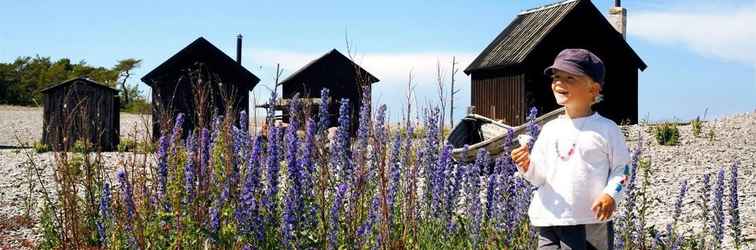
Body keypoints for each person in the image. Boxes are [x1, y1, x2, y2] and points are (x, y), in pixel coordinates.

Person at [511, 48, 631, 250]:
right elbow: (539, 177)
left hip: (588, 219)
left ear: (593, 90)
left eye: (570, 78)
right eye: (556, 77)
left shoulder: (606, 129)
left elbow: (623, 169)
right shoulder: (549, 129)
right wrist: (526, 165)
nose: (559, 82)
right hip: (550, 217)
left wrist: (611, 194)